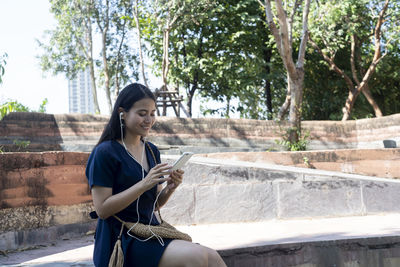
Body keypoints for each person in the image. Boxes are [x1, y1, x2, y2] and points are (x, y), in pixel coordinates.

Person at [85, 83, 227, 267]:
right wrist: (144, 184)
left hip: (150, 232)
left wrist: (170, 188)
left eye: (152, 113)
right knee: (196, 256)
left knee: (213, 257)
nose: (149, 119)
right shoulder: (105, 152)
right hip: (121, 238)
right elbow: (102, 210)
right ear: (123, 113)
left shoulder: (151, 151)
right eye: (142, 113)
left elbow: (155, 204)